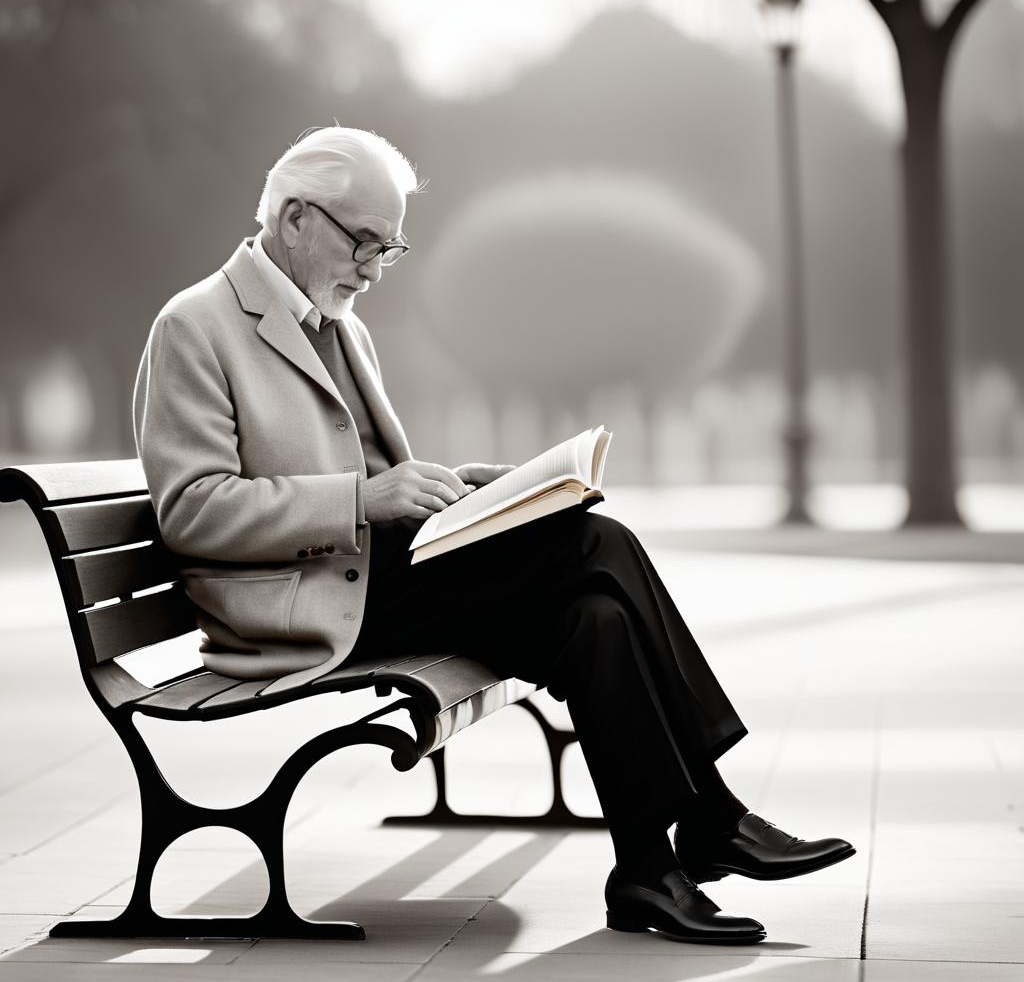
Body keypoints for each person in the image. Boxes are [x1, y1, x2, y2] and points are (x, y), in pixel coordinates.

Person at [132, 126, 855, 945]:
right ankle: (715, 817)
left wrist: (452, 492)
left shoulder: (341, 321)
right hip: (300, 607)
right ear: (296, 218)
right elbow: (192, 509)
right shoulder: (195, 326)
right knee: (599, 544)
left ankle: (649, 874)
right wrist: (363, 500)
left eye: (389, 247)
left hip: (379, 578)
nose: (374, 267)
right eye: (364, 241)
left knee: (597, 620)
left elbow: (362, 477)